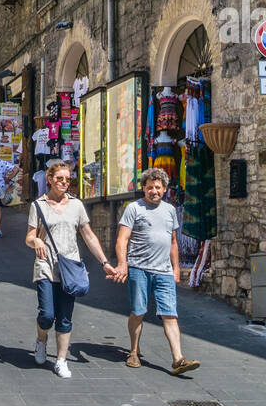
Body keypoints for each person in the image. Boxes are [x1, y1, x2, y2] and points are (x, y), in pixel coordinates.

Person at [26, 160, 117, 379]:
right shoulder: (38, 205)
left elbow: (88, 236)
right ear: (49, 180)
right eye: (60, 178)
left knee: (65, 317)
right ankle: (41, 341)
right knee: (47, 315)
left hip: (70, 268)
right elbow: (29, 236)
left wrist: (104, 263)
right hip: (46, 266)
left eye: (68, 179)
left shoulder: (76, 205)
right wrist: (35, 242)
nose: (65, 182)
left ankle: (61, 360)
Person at [113, 166, 200, 375]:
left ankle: (178, 359)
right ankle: (133, 351)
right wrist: (122, 264)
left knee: (170, 314)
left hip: (164, 271)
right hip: (139, 268)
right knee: (139, 311)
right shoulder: (134, 208)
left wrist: (176, 268)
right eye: (150, 187)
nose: (154, 191)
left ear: (164, 189)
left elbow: (173, 242)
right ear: (144, 188)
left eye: (158, 188)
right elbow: (122, 239)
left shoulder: (170, 210)